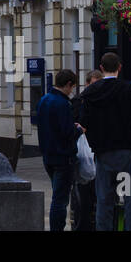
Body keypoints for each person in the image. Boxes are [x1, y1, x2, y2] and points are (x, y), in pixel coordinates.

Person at [79, 52, 131, 231]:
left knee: (104, 198)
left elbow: (84, 121)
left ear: (101, 68)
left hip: (103, 153)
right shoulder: (129, 89)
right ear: (119, 67)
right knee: (128, 196)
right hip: (126, 153)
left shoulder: (90, 92)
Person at [36, 68, 82, 231]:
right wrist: (78, 130)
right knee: (60, 199)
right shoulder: (63, 103)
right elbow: (67, 132)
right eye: (72, 87)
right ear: (68, 84)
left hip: (48, 155)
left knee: (57, 194)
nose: (72, 91)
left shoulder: (44, 100)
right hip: (63, 157)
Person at [70, 69, 103, 231]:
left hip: (99, 153)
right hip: (84, 155)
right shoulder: (79, 102)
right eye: (93, 84)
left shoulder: (103, 101)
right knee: (83, 194)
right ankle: (82, 224)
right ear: (87, 84)